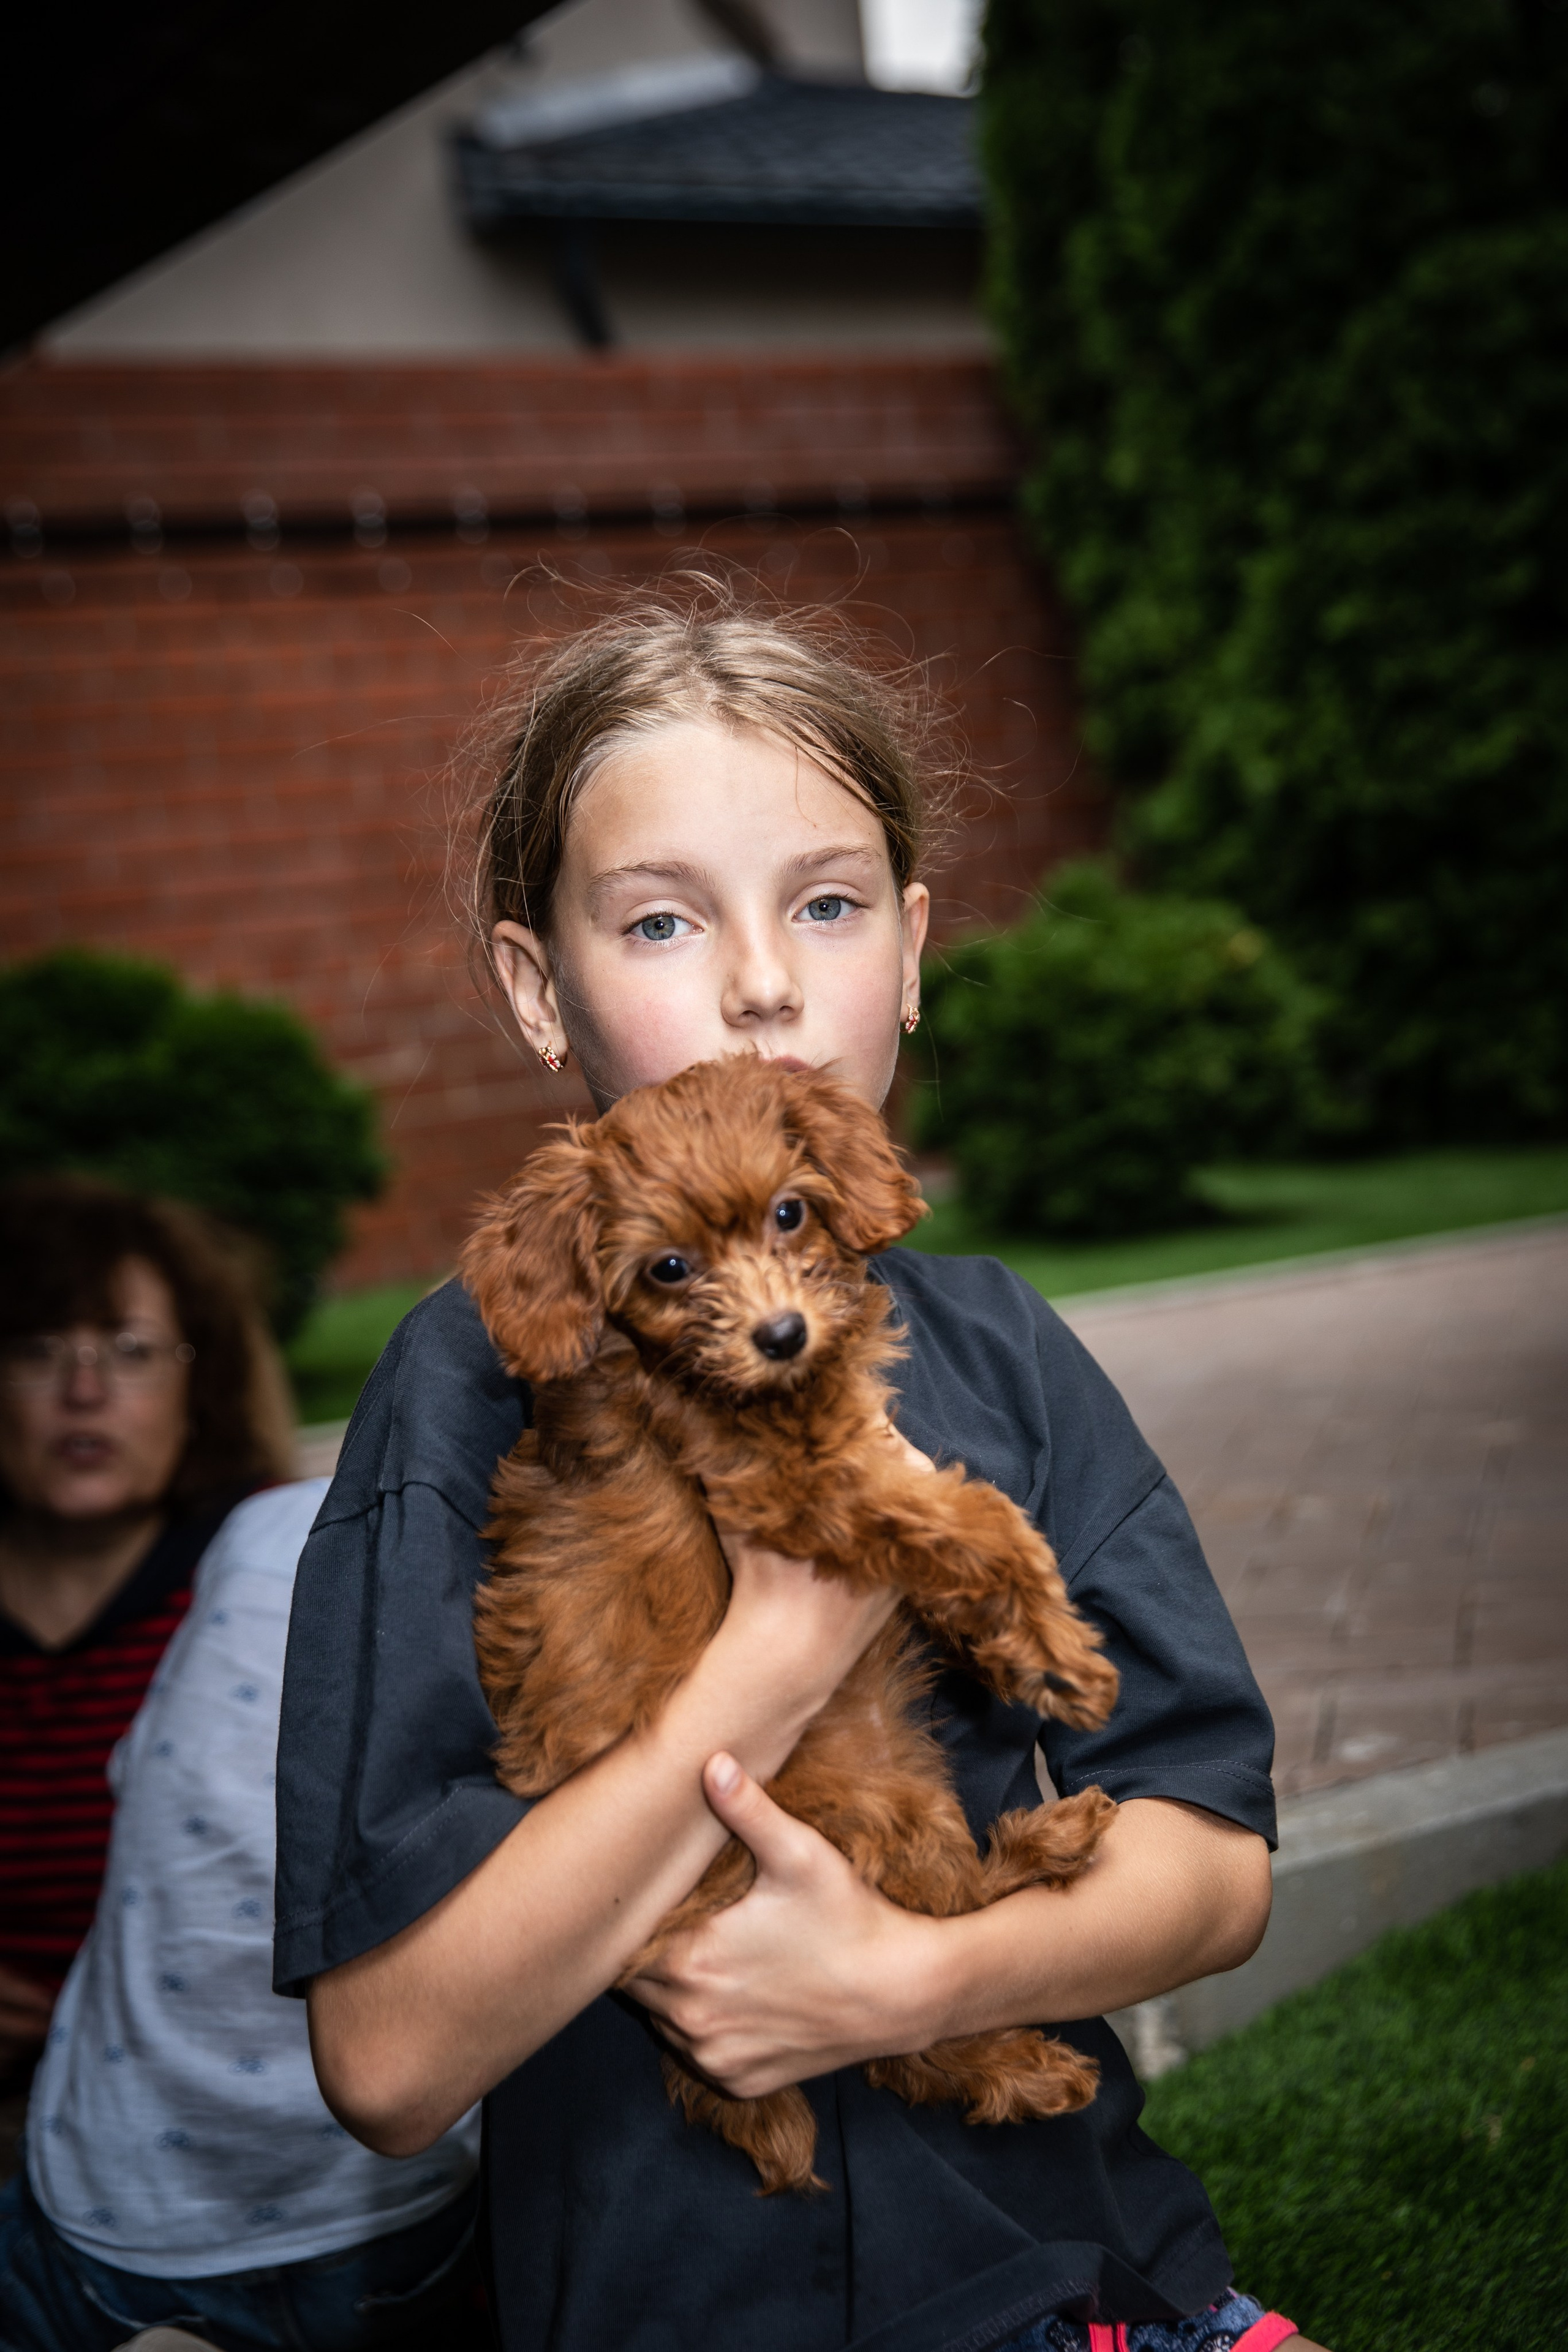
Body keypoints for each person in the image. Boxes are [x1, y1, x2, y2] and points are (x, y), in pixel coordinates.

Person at [275, 588, 1334, 2352]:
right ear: (540, 991)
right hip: (667, 2305)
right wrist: (777, 1650)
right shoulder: (462, 1391)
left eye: (828, 906)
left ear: (912, 954)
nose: (764, 982)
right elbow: (386, 2063)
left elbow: (1217, 1869)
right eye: (665, 920)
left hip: (1069, 2275)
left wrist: (911, 1981)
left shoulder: (1006, 1349)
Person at [0, 1479, 483, 2351]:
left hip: (114, 2186)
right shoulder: (509, 1570)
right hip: (374, 2213)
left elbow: (130, 1778)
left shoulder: (261, 1534)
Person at [0, 1180, 293, 2087]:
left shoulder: (267, 1589)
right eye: (40, 1349)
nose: (83, 1392)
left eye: (130, 1352)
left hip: (212, 2104)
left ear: (199, 1386)